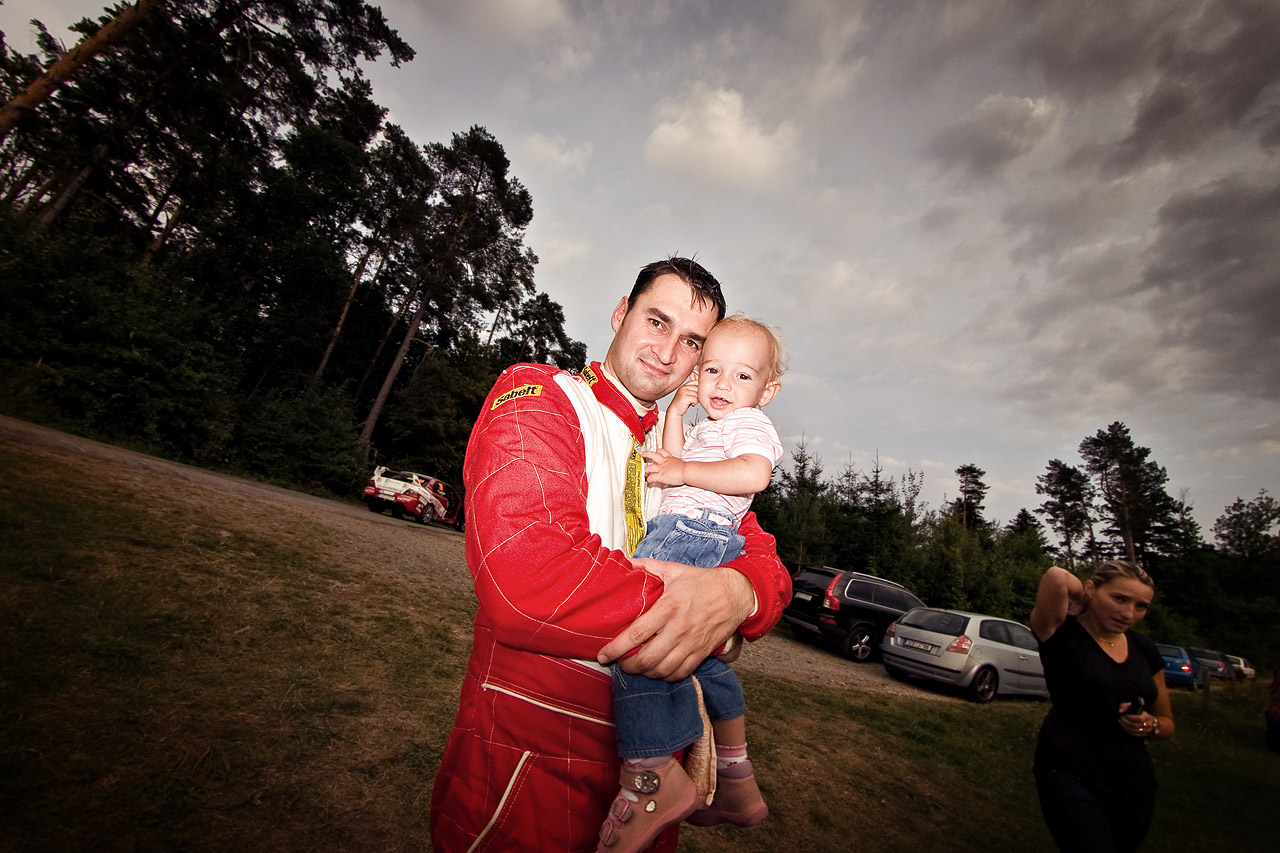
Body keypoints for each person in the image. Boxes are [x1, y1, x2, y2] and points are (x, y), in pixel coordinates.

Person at [429, 258, 792, 853]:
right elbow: (529, 577)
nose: (669, 351)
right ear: (622, 312)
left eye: (692, 342)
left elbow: (768, 566)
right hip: (528, 767)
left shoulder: (690, 455)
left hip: (649, 785)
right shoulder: (543, 398)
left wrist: (736, 595)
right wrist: (700, 619)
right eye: (656, 321)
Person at [599, 316, 788, 852]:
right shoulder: (711, 425)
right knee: (699, 654)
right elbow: (678, 455)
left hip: (694, 532)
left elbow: (753, 475)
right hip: (689, 527)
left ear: (767, 390)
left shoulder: (749, 426)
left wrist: (682, 473)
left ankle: (652, 774)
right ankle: (736, 777)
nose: (723, 385)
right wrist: (679, 414)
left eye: (741, 375)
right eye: (711, 370)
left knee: (641, 632)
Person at [1028, 561, 1176, 853]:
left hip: (1134, 782)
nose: (1128, 613)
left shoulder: (1144, 649)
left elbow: (1167, 722)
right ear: (1092, 588)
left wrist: (1152, 725)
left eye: (1141, 606)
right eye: (1119, 598)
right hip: (1068, 771)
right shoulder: (1059, 632)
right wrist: (1083, 602)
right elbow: (1056, 576)